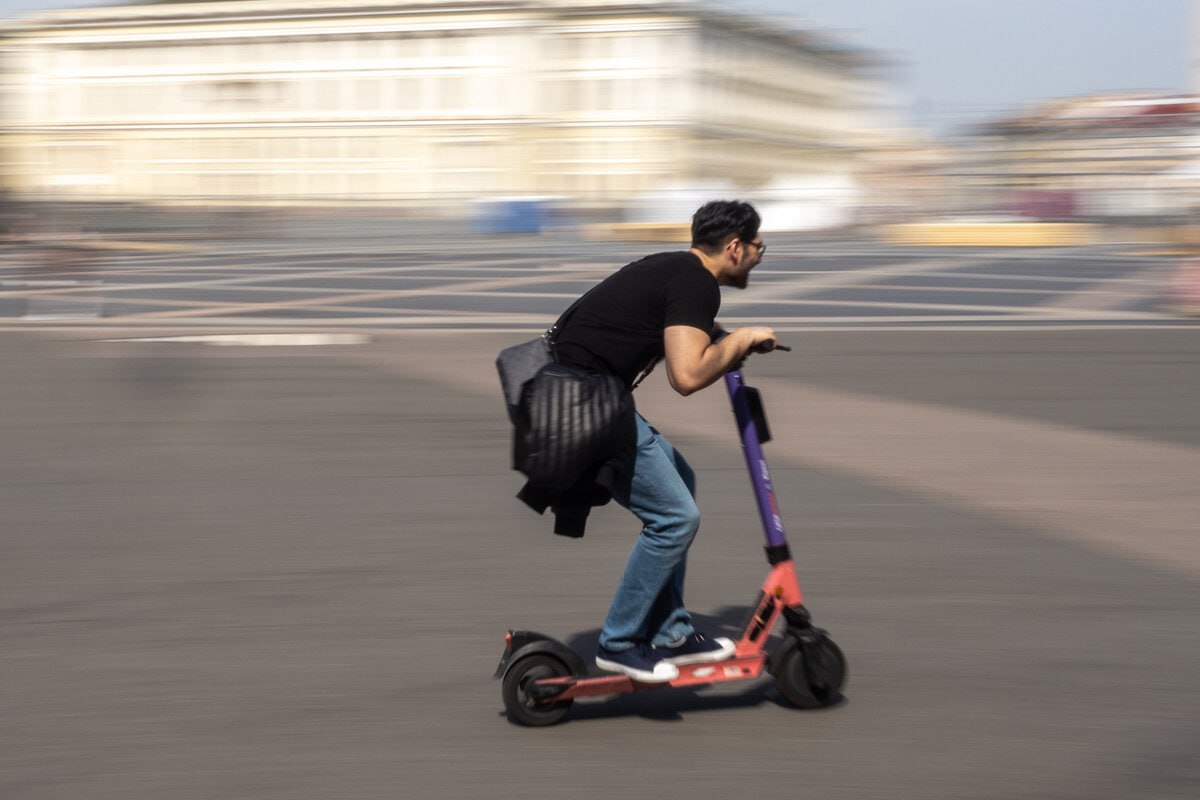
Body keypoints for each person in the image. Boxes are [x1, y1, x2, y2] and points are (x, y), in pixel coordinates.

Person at [552, 200, 777, 682]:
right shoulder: (694, 282)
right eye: (760, 246)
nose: (761, 255)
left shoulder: (675, 270)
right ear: (735, 247)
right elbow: (688, 375)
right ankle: (621, 641)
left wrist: (729, 337)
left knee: (681, 480)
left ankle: (671, 631)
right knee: (675, 518)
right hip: (583, 401)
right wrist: (743, 338)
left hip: (580, 393)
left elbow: (682, 328)